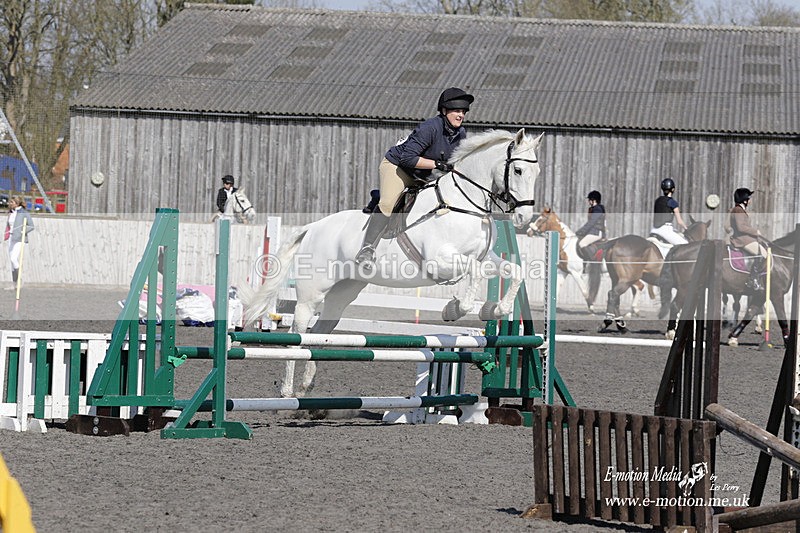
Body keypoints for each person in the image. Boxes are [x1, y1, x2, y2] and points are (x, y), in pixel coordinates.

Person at [355, 87, 474, 269]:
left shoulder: (460, 133)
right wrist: (437, 164)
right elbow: (407, 159)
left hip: (423, 175)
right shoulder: (430, 128)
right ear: (444, 111)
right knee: (388, 203)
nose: (461, 115)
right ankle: (367, 249)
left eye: (463, 112)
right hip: (398, 168)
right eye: (457, 111)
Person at [729, 187, 767, 291]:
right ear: (745, 200)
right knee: (763, 254)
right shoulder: (738, 210)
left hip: (745, 239)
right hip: (742, 240)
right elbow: (741, 227)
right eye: (749, 198)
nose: (750, 201)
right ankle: (753, 279)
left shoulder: (739, 210)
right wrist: (755, 232)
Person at [5, 195, 34, 290]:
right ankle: (14, 284)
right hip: (11, 237)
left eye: (12, 202)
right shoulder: (11, 212)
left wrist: (22, 231)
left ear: (17, 203)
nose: (10, 204)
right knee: (12, 263)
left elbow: (31, 226)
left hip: (19, 238)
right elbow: (9, 225)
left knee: (14, 259)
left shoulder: (23, 213)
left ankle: (20, 279)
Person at [650, 178, 688, 245]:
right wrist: (686, 228)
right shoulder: (673, 203)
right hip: (665, 230)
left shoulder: (657, 200)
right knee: (685, 244)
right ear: (673, 189)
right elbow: (679, 221)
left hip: (654, 229)